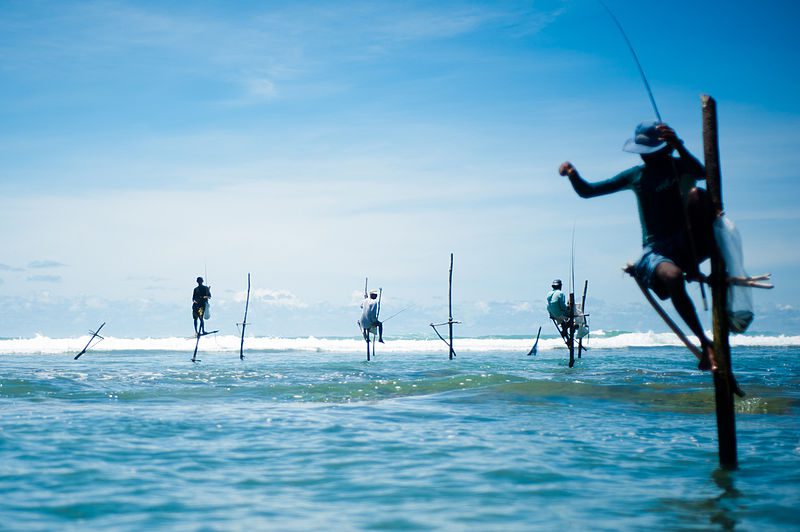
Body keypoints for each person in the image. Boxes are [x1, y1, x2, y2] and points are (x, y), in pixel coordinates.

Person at [558, 121, 716, 371]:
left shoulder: (679, 166)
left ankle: (698, 268)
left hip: (689, 244)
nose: (647, 158)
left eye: (652, 152)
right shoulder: (636, 176)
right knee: (672, 276)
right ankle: (706, 344)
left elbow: (705, 174)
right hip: (657, 251)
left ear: (665, 149)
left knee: (699, 196)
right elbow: (588, 191)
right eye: (643, 153)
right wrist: (573, 174)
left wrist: (680, 147)